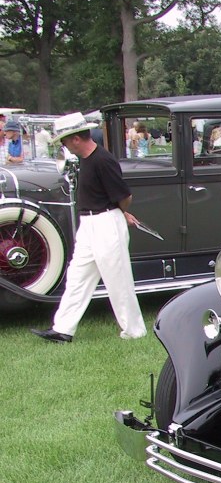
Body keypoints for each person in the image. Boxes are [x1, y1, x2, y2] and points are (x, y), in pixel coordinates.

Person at [31, 112, 147, 343]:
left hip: (106, 223)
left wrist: (120, 212)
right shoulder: (86, 159)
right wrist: (120, 212)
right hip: (90, 223)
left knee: (118, 280)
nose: (64, 146)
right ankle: (63, 329)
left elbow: (125, 196)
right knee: (77, 277)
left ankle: (134, 331)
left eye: (64, 141)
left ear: (76, 139)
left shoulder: (103, 160)